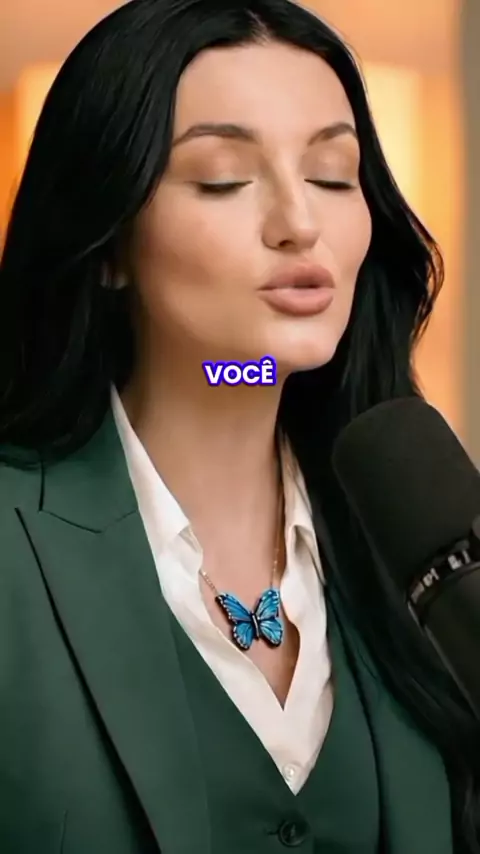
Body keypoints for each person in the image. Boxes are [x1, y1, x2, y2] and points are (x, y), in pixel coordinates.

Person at [0, 0, 479, 851]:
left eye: (333, 175)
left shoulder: (421, 547)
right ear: (109, 244)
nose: (301, 224)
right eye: (224, 178)